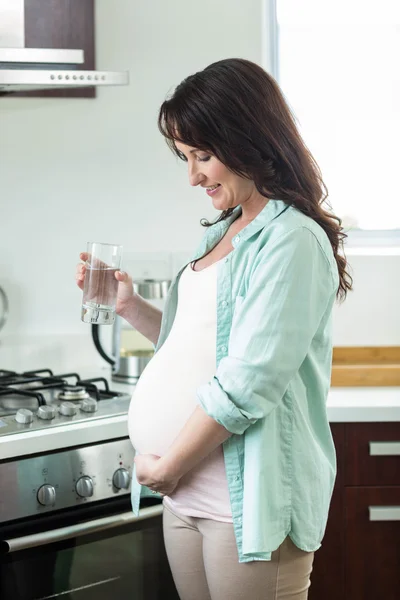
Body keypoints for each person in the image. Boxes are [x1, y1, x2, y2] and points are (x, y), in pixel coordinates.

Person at [76, 58, 352, 600]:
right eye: (185, 157)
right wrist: (131, 307)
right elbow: (202, 346)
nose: (194, 176)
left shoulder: (292, 240)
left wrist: (168, 466)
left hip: (243, 499)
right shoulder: (223, 231)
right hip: (185, 495)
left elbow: (250, 380)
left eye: (204, 156)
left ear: (250, 138)